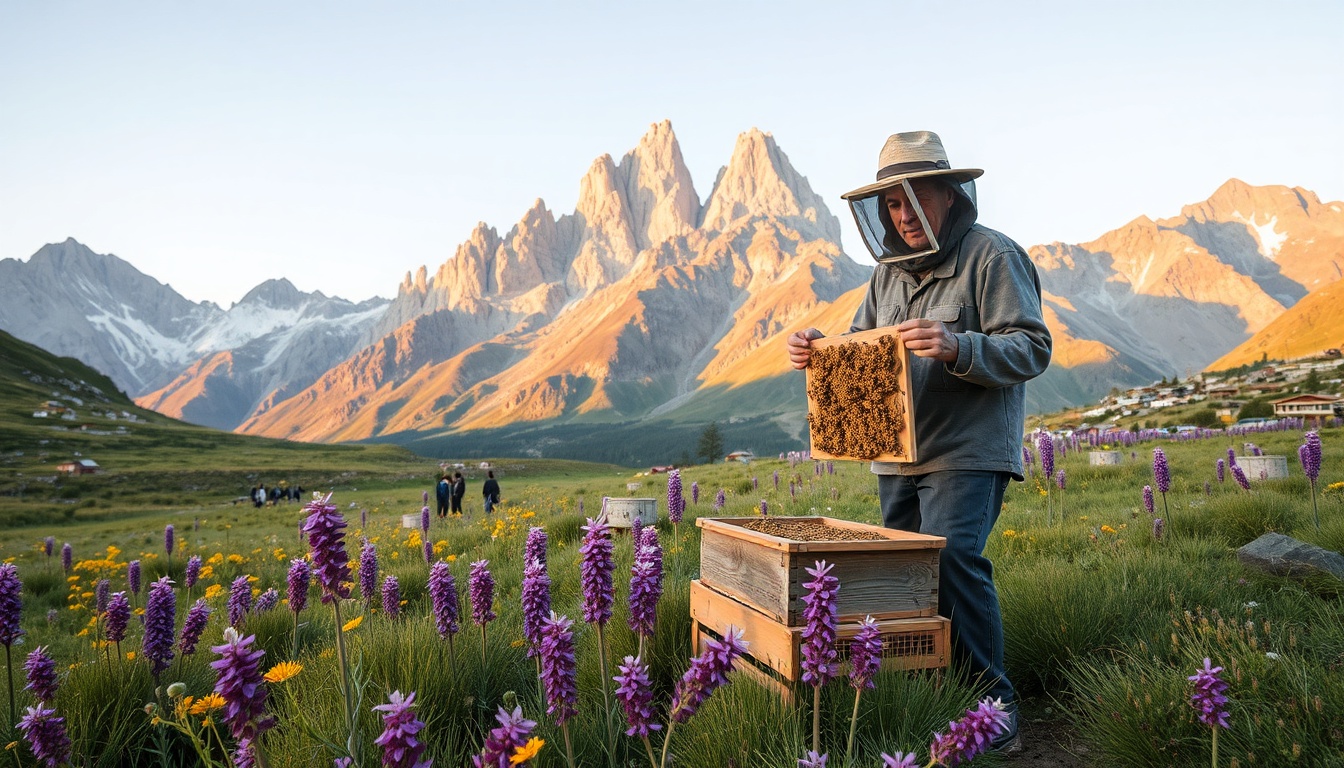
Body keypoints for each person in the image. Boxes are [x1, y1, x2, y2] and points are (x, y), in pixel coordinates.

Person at [786, 131, 1051, 754]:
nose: (903, 217)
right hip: (896, 455)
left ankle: (995, 703)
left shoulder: (993, 257)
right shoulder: (886, 277)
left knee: (955, 562)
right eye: (893, 206)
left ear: (950, 196)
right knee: (902, 577)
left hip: (966, 451)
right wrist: (817, 351)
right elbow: (861, 351)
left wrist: (961, 345)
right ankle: (933, 695)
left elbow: (1032, 347)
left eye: (915, 200)